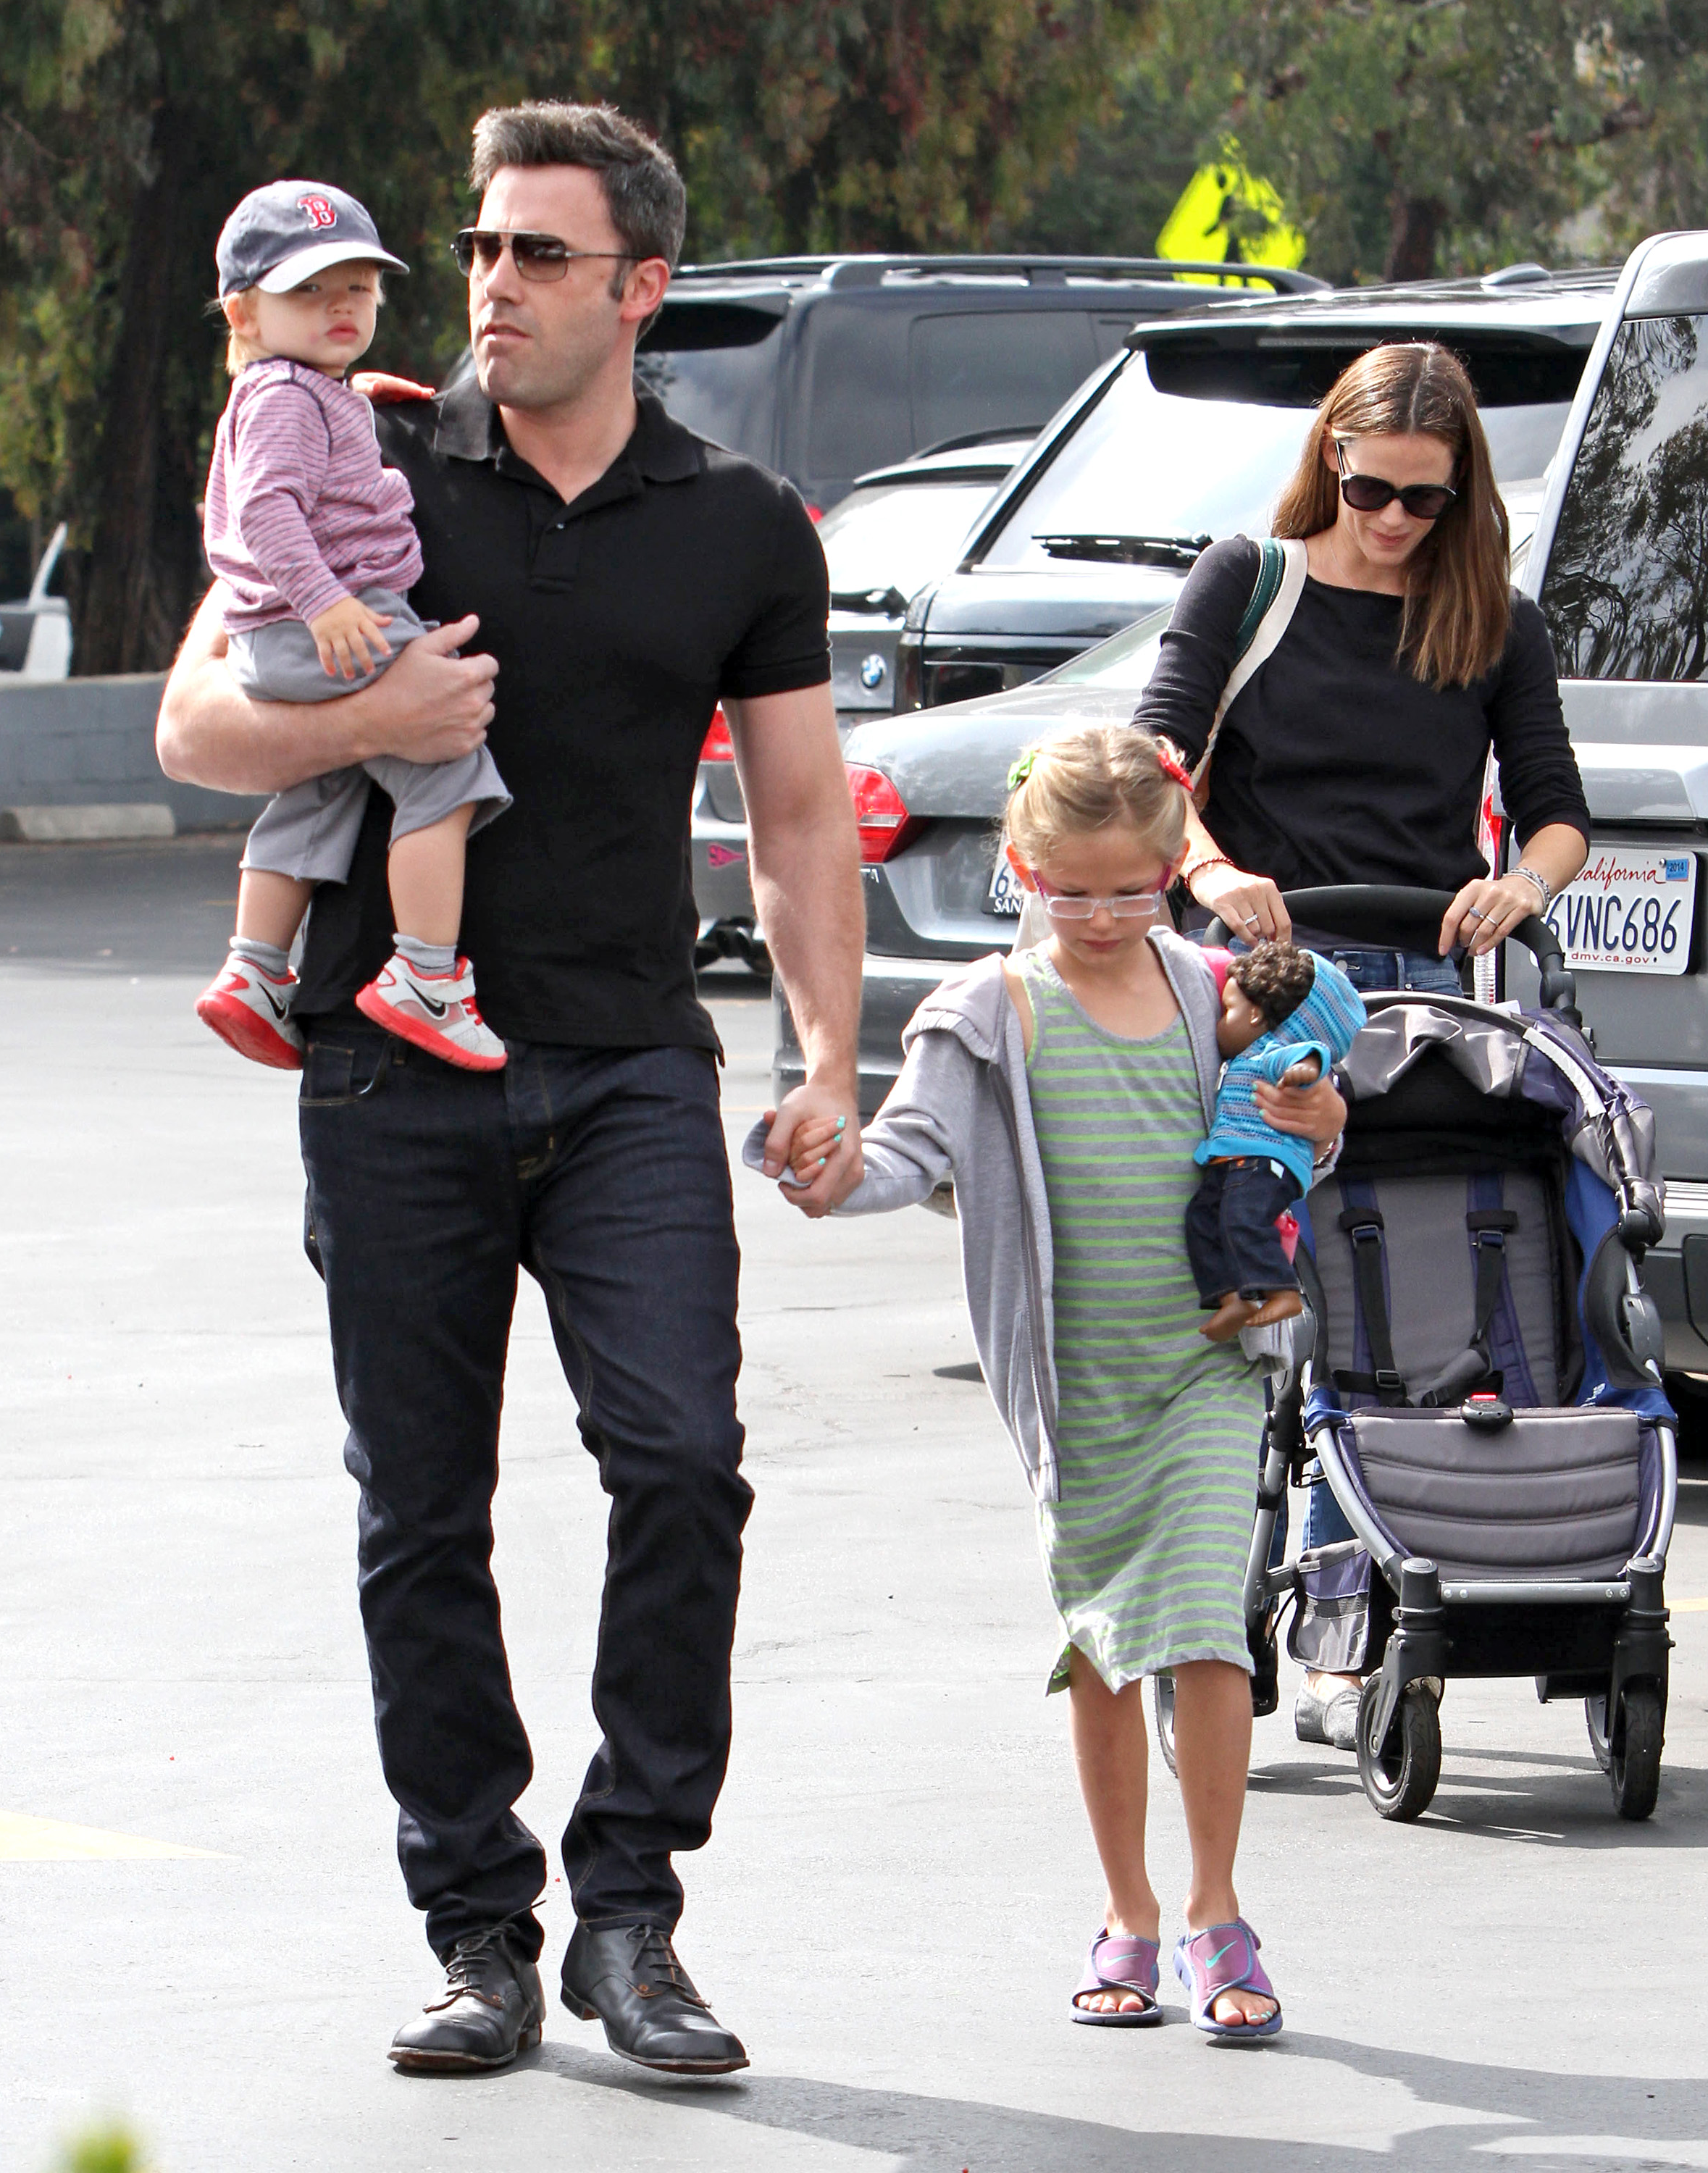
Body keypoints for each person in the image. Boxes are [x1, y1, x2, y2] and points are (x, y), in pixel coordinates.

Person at [158, 101, 863, 2077]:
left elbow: (801, 812)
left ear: (643, 285)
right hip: (391, 1074)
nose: (491, 286)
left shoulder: (737, 518)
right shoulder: (359, 447)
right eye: (478, 249)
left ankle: (631, 1910)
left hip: (633, 1061)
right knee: (420, 1514)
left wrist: (824, 1055)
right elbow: (198, 722)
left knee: (684, 1463)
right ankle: (478, 1924)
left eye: (539, 255)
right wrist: (377, 713)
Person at [770, 724, 1347, 2039]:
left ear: (1170, 871)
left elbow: (1289, 1126)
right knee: (1100, 1648)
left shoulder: (1214, 992)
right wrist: (825, 1169)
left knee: (1203, 1624)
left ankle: (1214, 1911)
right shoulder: (992, 1012)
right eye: (1066, 889)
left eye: (1128, 888)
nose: (1097, 914)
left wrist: (1323, 1120)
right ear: (1018, 869)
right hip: (1075, 1385)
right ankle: (1126, 1910)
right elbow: (905, 1151)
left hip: (1205, 1364)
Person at [1132, 339, 1591, 1752]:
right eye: (1372, 487)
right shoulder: (1248, 583)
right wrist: (1207, 875)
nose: (1393, 520)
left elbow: (1559, 807)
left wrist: (1526, 883)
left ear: (1464, 502)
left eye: (1425, 501)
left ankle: (1338, 1635)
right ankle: (1198, 1621)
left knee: (1379, 1321)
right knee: (1236, 1313)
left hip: (1418, 997)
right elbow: (1153, 761)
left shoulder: (1490, 623)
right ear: (1328, 459)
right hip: (1261, 988)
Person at [194, 180, 511, 1074]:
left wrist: (357, 401)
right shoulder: (289, 398)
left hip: (287, 632)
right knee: (446, 764)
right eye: (308, 290)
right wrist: (327, 602)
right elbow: (267, 509)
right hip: (329, 617)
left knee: (321, 784)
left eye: (358, 287)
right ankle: (425, 977)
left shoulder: (298, 389)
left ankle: (255, 969)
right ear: (242, 311)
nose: (340, 305)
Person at [1186, 939, 1366, 1341]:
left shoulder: (1270, 1052)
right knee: (1202, 1220)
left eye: (1227, 1011)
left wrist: (1304, 1071)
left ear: (1256, 1017)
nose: (1219, 1022)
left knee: (1243, 1219)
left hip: (1264, 1161)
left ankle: (1281, 1290)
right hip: (1232, 1161)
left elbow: (1306, 1053)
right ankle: (1229, 1297)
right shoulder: (1243, 1060)